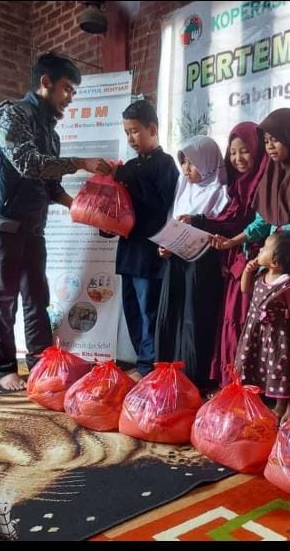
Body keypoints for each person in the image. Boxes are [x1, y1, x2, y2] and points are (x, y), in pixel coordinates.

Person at [0, 51, 110, 391]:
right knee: (4, 296)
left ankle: (40, 363)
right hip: (1, 220)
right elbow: (27, 163)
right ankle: (3, 367)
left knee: (37, 295)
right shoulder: (11, 114)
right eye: (66, 88)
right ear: (45, 82)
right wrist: (78, 162)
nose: (70, 97)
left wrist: (90, 213)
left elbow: (50, 188)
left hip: (32, 224)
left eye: (74, 91)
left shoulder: (51, 132)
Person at [212, 108, 290, 395]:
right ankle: (269, 389)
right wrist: (231, 241)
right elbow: (262, 221)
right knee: (271, 331)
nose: (270, 147)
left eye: (275, 140)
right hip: (273, 258)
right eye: (266, 142)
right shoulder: (272, 173)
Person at [184, 122, 268, 388]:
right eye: (233, 153)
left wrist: (203, 224)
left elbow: (245, 223)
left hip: (257, 261)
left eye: (244, 151)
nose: (238, 159)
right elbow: (228, 220)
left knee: (247, 318)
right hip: (234, 259)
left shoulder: (265, 182)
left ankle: (249, 383)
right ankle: (231, 379)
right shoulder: (235, 186)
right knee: (231, 317)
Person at [111, 99, 179, 379]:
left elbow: (162, 206)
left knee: (148, 310)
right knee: (132, 310)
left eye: (135, 131)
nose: (130, 138)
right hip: (128, 249)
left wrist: (130, 178)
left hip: (150, 252)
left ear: (152, 128)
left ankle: (148, 367)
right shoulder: (128, 166)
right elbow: (120, 207)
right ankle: (143, 362)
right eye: (126, 132)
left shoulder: (166, 164)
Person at [155, 135, 229, 391]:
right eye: (183, 163)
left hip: (202, 268)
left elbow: (223, 228)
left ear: (208, 162)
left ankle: (193, 379)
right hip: (176, 266)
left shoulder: (220, 192)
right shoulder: (182, 188)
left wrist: (198, 222)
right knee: (172, 316)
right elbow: (172, 223)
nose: (186, 169)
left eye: (192, 163)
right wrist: (166, 247)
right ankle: (168, 374)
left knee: (193, 320)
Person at [234, 231, 290, 424]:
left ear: (275, 262)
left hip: (277, 337)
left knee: (278, 368)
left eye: (265, 248)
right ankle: (258, 399)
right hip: (257, 333)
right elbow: (245, 289)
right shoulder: (261, 274)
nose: (260, 249)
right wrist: (247, 271)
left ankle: (281, 405)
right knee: (258, 364)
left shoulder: (287, 285)